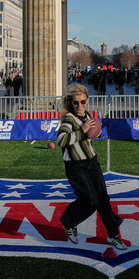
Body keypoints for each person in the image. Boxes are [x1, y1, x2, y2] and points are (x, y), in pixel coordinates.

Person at [56, 83, 126, 251]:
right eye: (76, 103)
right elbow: (61, 140)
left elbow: (93, 134)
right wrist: (81, 132)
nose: (80, 106)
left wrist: (97, 131)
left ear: (87, 101)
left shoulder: (87, 114)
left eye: (83, 102)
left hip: (92, 162)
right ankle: (69, 222)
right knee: (91, 200)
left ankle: (113, 235)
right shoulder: (69, 119)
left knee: (103, 199)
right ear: (70, 103)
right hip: (76, 166)